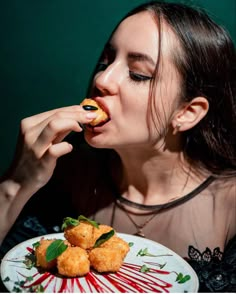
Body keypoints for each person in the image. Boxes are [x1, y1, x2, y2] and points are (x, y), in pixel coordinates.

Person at [0, 1, 235, 292]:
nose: (101, 79)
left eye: (138, 74)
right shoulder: (63, 168)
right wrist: (15, 184)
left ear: (187, 112)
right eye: (105, 62)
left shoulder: (229, 207)